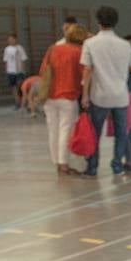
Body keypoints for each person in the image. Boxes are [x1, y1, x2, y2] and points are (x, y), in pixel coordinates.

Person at [79, 6, 131, 177]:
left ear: (98, 21)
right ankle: (117, 165)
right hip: (120, 96)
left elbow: (87, 70)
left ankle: (92, 167)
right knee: (121, 133)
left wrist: (84, 95)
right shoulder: (125, 45)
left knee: (94, 133)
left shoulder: (90, 44)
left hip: (99, 96)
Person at [42, 20, 87, 176]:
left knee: (52, 130)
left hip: (49, 96)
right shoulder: (78, 52)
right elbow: (83, 77)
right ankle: (64, 162)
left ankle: (56, 161)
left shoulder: (52, 49)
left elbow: (43, 71)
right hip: (68, 96)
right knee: (66, 130)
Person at [2, 33, 29, 109]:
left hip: (19, 71)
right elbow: (6, 60)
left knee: (21, 87)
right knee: (14, 87)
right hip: (11, 71)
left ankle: (25, 102)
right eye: (9, 40)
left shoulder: (20, 48)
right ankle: (17, 102)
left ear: (15, 39)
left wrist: (23, 71)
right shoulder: (7, 49)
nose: (10, 41)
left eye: (12, 39)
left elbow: (23, 60)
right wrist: (7, 71)